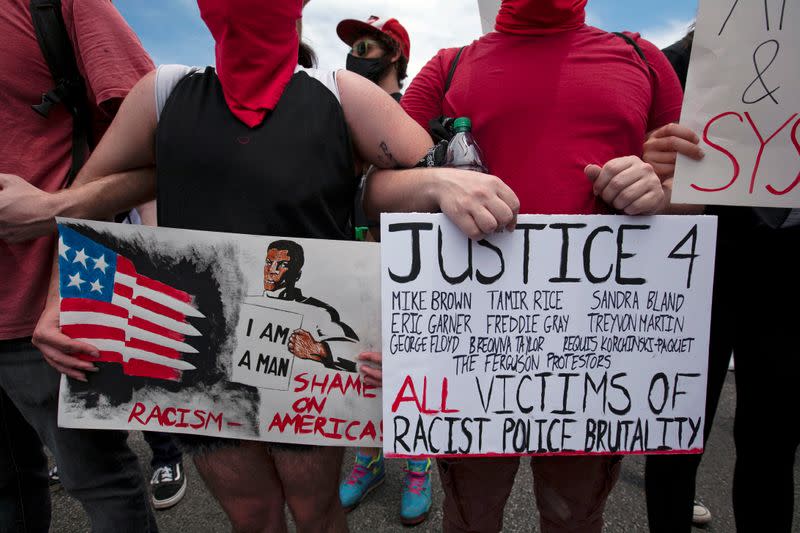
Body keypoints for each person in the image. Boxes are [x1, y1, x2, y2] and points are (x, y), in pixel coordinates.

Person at [28, 1, 517, 531]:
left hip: (303, 354)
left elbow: (438, 199)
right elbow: (87, 202)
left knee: (316, 512)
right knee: (251, 515)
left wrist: (436, 189)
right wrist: (58, 301)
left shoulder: (342, 94)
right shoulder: (162, 92)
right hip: (200, 354)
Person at [364, 0, 684, 530]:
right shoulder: (449, 66)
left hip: (598, 350)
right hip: (471, 347)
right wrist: (438, 181)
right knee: (471, 517)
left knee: (575, 517)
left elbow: (700, 194)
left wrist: (660, 191)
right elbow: (371, 194)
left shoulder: (643, 58)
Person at [0, 1, 158, 531]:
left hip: (46, 322)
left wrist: (55, 213)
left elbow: (163, 145)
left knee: (97, 483)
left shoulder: (54, 7)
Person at [644, 26, 800, 533]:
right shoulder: (676, 61)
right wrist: (649, 158)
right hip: (697, 266)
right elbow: (635, 151)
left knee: (773, 441)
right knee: (674, 435)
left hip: (788, 273)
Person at [335, 14, 433, 526]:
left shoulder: (416, 117)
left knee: (409, 362)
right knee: (360, 359)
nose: (357, 52)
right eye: (354, 45)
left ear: (395, 53)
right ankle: (369, 456)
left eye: (368, 45)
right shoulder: (334, 114)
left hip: (407, 268)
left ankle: (418, 460)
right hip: (350, 257)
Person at [337, 15, 410, 102]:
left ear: (394, 54)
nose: (353, 56)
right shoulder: (342, 111)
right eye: (351, 50)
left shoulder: (410, 113)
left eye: (362, 48)